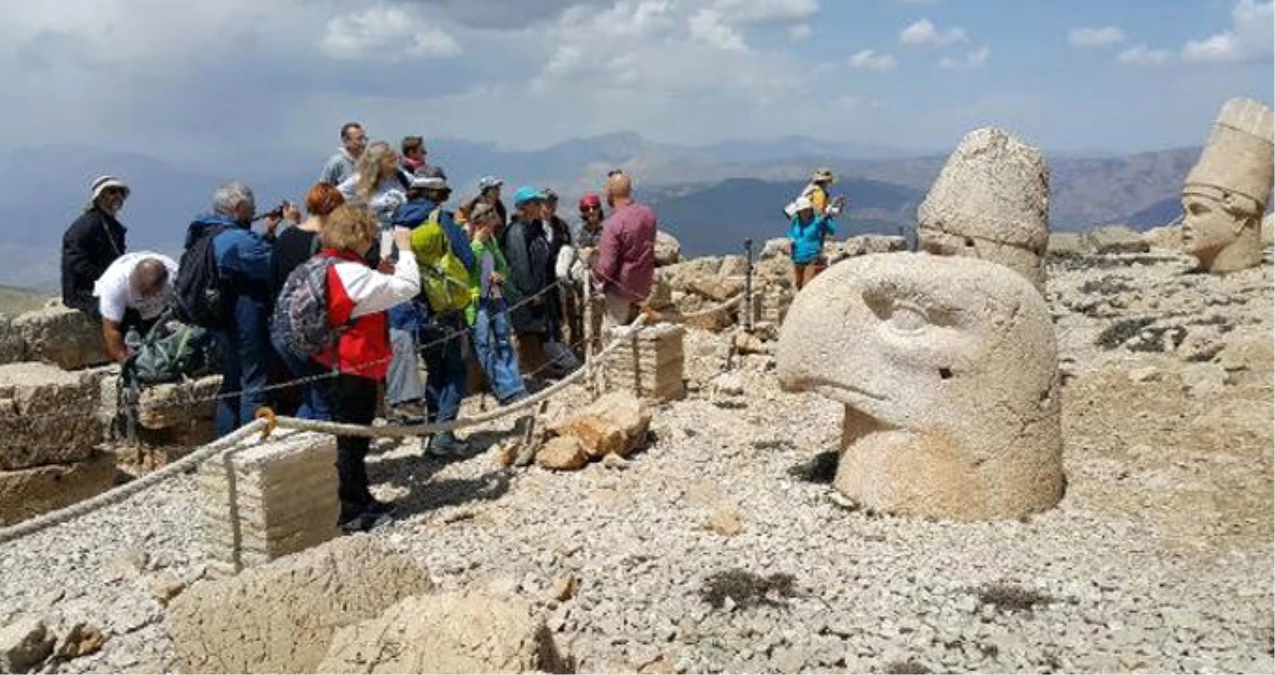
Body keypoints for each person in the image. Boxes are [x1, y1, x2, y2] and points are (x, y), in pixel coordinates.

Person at [312, 205, 420, 533]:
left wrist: (380, 275)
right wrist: (406, 250)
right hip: (351, 364)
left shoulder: (331, 264)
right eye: (369, 234)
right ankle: (352, 510)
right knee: (351, 440)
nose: (373, 240)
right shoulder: (347, 271)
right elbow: (408, 287)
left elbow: (365, 297)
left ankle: (361, 498)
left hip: (339, 361)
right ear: (357, 236)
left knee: (355, 439)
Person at [183, 182, 282, 436]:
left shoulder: (206, 232)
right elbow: (275, 264)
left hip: (217, 320)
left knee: (231, 382)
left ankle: (225, 441)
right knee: (254, 383)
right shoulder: (238, 239)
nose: (254, 212)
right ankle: (251, 445)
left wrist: (267, 232)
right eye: (251, 208)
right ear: (239, 208)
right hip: (244, 318)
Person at [399, 175, 477, 457]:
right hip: (446, 308)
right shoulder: (441, 219)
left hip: (413, 310)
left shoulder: (396, 221)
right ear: (436, 195)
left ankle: (432, 434)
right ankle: (444, 434)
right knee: (456, 371)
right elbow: (467, 259)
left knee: (433, 370)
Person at [269, 183, 342, 420]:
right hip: (310, 332)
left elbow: (274, 283)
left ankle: (295, 444)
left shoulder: (285, 238)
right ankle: (328, 451)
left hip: (281, 329)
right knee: (324, 398)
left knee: (312, 393)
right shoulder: (325, 244)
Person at [466, 202, 528, 405]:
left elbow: (503, 266)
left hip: (494, 295)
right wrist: (476, 244)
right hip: (477, 301)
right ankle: (504, 388)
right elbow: (468, 268)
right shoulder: (470, 242)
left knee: (503, 340)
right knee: (485, 344)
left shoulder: (491, 240)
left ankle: (515, 385)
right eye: (491, 216)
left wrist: (499, 275)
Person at [502, 186, 555, 379]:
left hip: (536, 290)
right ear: (525, 206)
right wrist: (531, 293)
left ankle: (539, 364)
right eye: (536, 203)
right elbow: (520, 265)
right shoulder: (517, 232)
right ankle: (533, 368)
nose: (541, 206)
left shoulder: (532, 229)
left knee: (537, 330)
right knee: (528, 331)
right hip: (522, 294)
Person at [593, 170, 657, 328]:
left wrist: (592, 272)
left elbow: (606, 268)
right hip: (644, 288)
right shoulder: (648, 214)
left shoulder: (613, 224)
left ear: (609, 192)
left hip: (620, 292)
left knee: (615, 340)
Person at [62, 176, 130, 318]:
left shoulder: (114, 227)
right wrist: (107, 280)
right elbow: (78, 263)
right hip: (83, 292)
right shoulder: (85, 227)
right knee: (122, 315)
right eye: (112, 192)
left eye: (121, 193)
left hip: (108, 287)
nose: (118, 196)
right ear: (99, 197)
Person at [92, 252, 178, 364]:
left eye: (153, 293)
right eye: (144, 292)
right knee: (130, 339)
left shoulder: (175, 274)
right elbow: (111, 329)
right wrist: (126, 363)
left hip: (160, 307)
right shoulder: (115, 285)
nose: (148, 297)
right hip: (128, 306)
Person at [575, 193, 606, 354]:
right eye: (587, 209)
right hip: (587, 276)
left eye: (594, 207)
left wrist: (593, 250)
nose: (591, 211)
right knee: (588, 315)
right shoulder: (580, 230)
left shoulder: (607, 227)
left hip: (604, 277)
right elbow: (577, 248)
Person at [788, 195, 838, 291]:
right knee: (798, 285)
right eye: (802, 211)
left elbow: (831, 230)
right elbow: (791, 233)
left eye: (806, 210)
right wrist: (792, 239)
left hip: (812, 257)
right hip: (797, 258)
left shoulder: (817, 220)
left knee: (807, 285)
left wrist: (827, 217)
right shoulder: (796, 221)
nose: (804, 213)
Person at [320, 122, 367, 186]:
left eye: (365, 139)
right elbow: (323, 189)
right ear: (346, 141)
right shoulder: (337, 162)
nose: (363, 143)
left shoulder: (367, 163)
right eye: (359, 139)